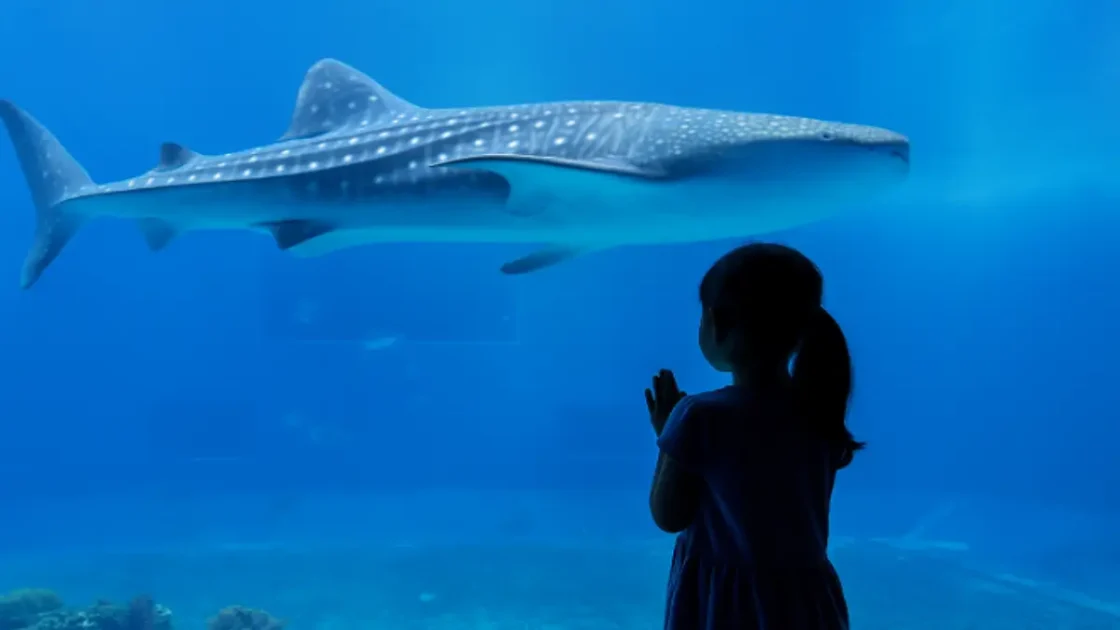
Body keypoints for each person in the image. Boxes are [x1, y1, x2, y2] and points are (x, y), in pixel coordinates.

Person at [645, 242, 863, 630]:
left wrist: (667, 436)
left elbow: (668, 515)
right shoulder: (818, 410)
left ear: (718, 323)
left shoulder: (699, 415)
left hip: (728, 606)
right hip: (806, 603)